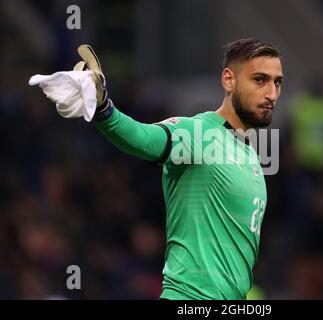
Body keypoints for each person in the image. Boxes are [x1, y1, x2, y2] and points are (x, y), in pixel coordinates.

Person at [70, 38, 283, 299]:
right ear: (229, 80)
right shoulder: (200, 132)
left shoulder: (250, 154)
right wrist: (103, 108)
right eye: (260, 80)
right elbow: (143, 137)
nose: (271, 93)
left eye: (277, 82)